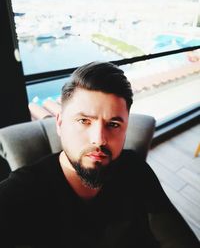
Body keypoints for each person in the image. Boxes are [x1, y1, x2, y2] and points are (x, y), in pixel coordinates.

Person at [0, 61, 199, 248]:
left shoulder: (134, 169)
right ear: (60, 123)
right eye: (84, 121)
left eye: (113, 124)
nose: (99, 139)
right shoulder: (23, 193)